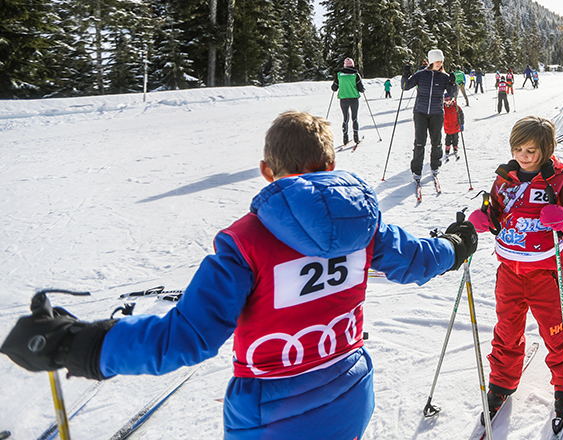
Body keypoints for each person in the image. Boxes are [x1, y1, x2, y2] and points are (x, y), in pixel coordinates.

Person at [0, 110, 478, 440]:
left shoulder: (245, 241)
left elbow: (186, 337)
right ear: (330, 166)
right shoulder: (364, 225)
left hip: (272, 418)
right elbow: (419, 259)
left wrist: (76, 345)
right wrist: (456, 245)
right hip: (351, 395)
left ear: (267, 172)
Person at [466, 116, 563, 428]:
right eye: (518, 148)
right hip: (508, 270)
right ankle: (502, 383)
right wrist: (483, 218)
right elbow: (495, 214)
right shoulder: (504, 180)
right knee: (507, 330)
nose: (523, 155)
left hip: (544, 273)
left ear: (546, 150)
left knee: (555, 331)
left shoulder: (558, 182)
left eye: (531, 150)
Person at [402, 49, 457, 186]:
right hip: (420, 112)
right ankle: (416, 170)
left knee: (436, 141)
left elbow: (451, 95)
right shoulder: (420, 75)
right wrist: (405, 74)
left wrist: (452, 83)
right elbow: (405, 86)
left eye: (441, 61)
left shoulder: (444, 77)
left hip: (437, 113)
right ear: (431, 61)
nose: (439, 63)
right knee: (420, 142)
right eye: (437, 61)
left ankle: (435, 165)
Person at [331, 57, 364, 146]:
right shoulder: (355, 74)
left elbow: (334, 88)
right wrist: (362, 89)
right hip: (354, 99)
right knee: (355, 118)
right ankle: (356, 138)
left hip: (343, 99)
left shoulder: (339, 74)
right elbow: (361, 88)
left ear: (345, 65)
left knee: (345, 118)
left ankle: (345, 138)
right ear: (352, 65)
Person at [443, 91, 465, 160]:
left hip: (456, 126)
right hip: (447, 127)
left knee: (455, 138)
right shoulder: (443, 107)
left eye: (449, 99)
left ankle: (455, 146)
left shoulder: (456, 107)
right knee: (448, 139)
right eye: (446, 100)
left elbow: (461, 115)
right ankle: (447, 147)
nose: (448, 101)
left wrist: (461, 124)